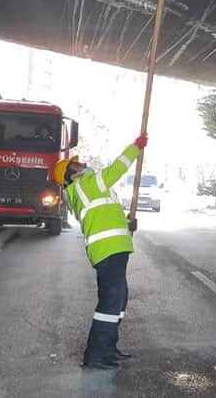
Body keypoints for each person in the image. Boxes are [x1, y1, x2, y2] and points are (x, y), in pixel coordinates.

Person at [54, 133, 149, 369]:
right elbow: (117, 168)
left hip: (113, 249)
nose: (82, 163)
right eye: (76, 164)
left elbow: (103, 216)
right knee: (111, 301)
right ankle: (96, 354)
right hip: (108, 250)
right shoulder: (86, 184)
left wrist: (127, 224)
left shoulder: (87, 188)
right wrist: (135, 147)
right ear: (71, 174)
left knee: (118, 299)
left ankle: (108, 347)